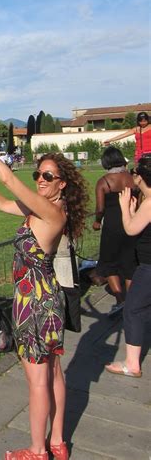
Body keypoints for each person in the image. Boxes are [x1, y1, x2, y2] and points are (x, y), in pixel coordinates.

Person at [0, 116, 88, 460]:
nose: (39, 180)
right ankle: (57, 442)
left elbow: (8, 180)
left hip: (35, 302)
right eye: (37, 174)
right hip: (42, 299)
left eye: (47, 176)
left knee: (38, 380)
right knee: (52, 373)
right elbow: (6, 203)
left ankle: (37, 450)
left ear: (62, 184)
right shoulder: (43, 210)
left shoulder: (51, 212)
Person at [105, 154, 151, 378]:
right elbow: (141, 230)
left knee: (132, 309)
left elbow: (131, 230)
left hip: (149, 267)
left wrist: (124, 208)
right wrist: (133, 212)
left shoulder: (150, 202)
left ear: (141, 178)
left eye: (135, 174)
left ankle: (132, 364)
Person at [92, 147, 137, 316]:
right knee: (130, 262)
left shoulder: (104, 181)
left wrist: (97, 222)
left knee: (109, 262)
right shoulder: (132, 178)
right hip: (131, 222)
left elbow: (100, 208)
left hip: (111, 225)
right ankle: (132, 299)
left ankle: (120, 299)